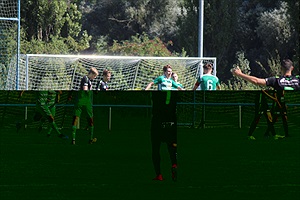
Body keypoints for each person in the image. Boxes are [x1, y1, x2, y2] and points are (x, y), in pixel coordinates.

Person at [232, 59, 300, 139]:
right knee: (273, 117)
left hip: (279, 103)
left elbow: (256, 81)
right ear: (292, 68)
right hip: (286, 105)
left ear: (281, 68)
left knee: (268, 117)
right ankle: (270, 134)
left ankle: (263, 134)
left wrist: (239, 74)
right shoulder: (298, 79)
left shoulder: (276, 80)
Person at [150, 91, 178, 181]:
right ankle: (174, 164)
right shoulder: (173, 91)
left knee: (155, 148)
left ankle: (159, 174)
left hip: (157, 121)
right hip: (171, 121)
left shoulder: (156, 93)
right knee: (172, 146)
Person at [71, 67, 99, 145]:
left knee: (75, 118)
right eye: (95, 75)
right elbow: (85, 89)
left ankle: (73, 139)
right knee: (90, 119)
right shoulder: (86, 78)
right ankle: (90, 139)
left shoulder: (88, 79)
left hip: (79, 101)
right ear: (91, 74)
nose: (95, 77)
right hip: (85, 101)